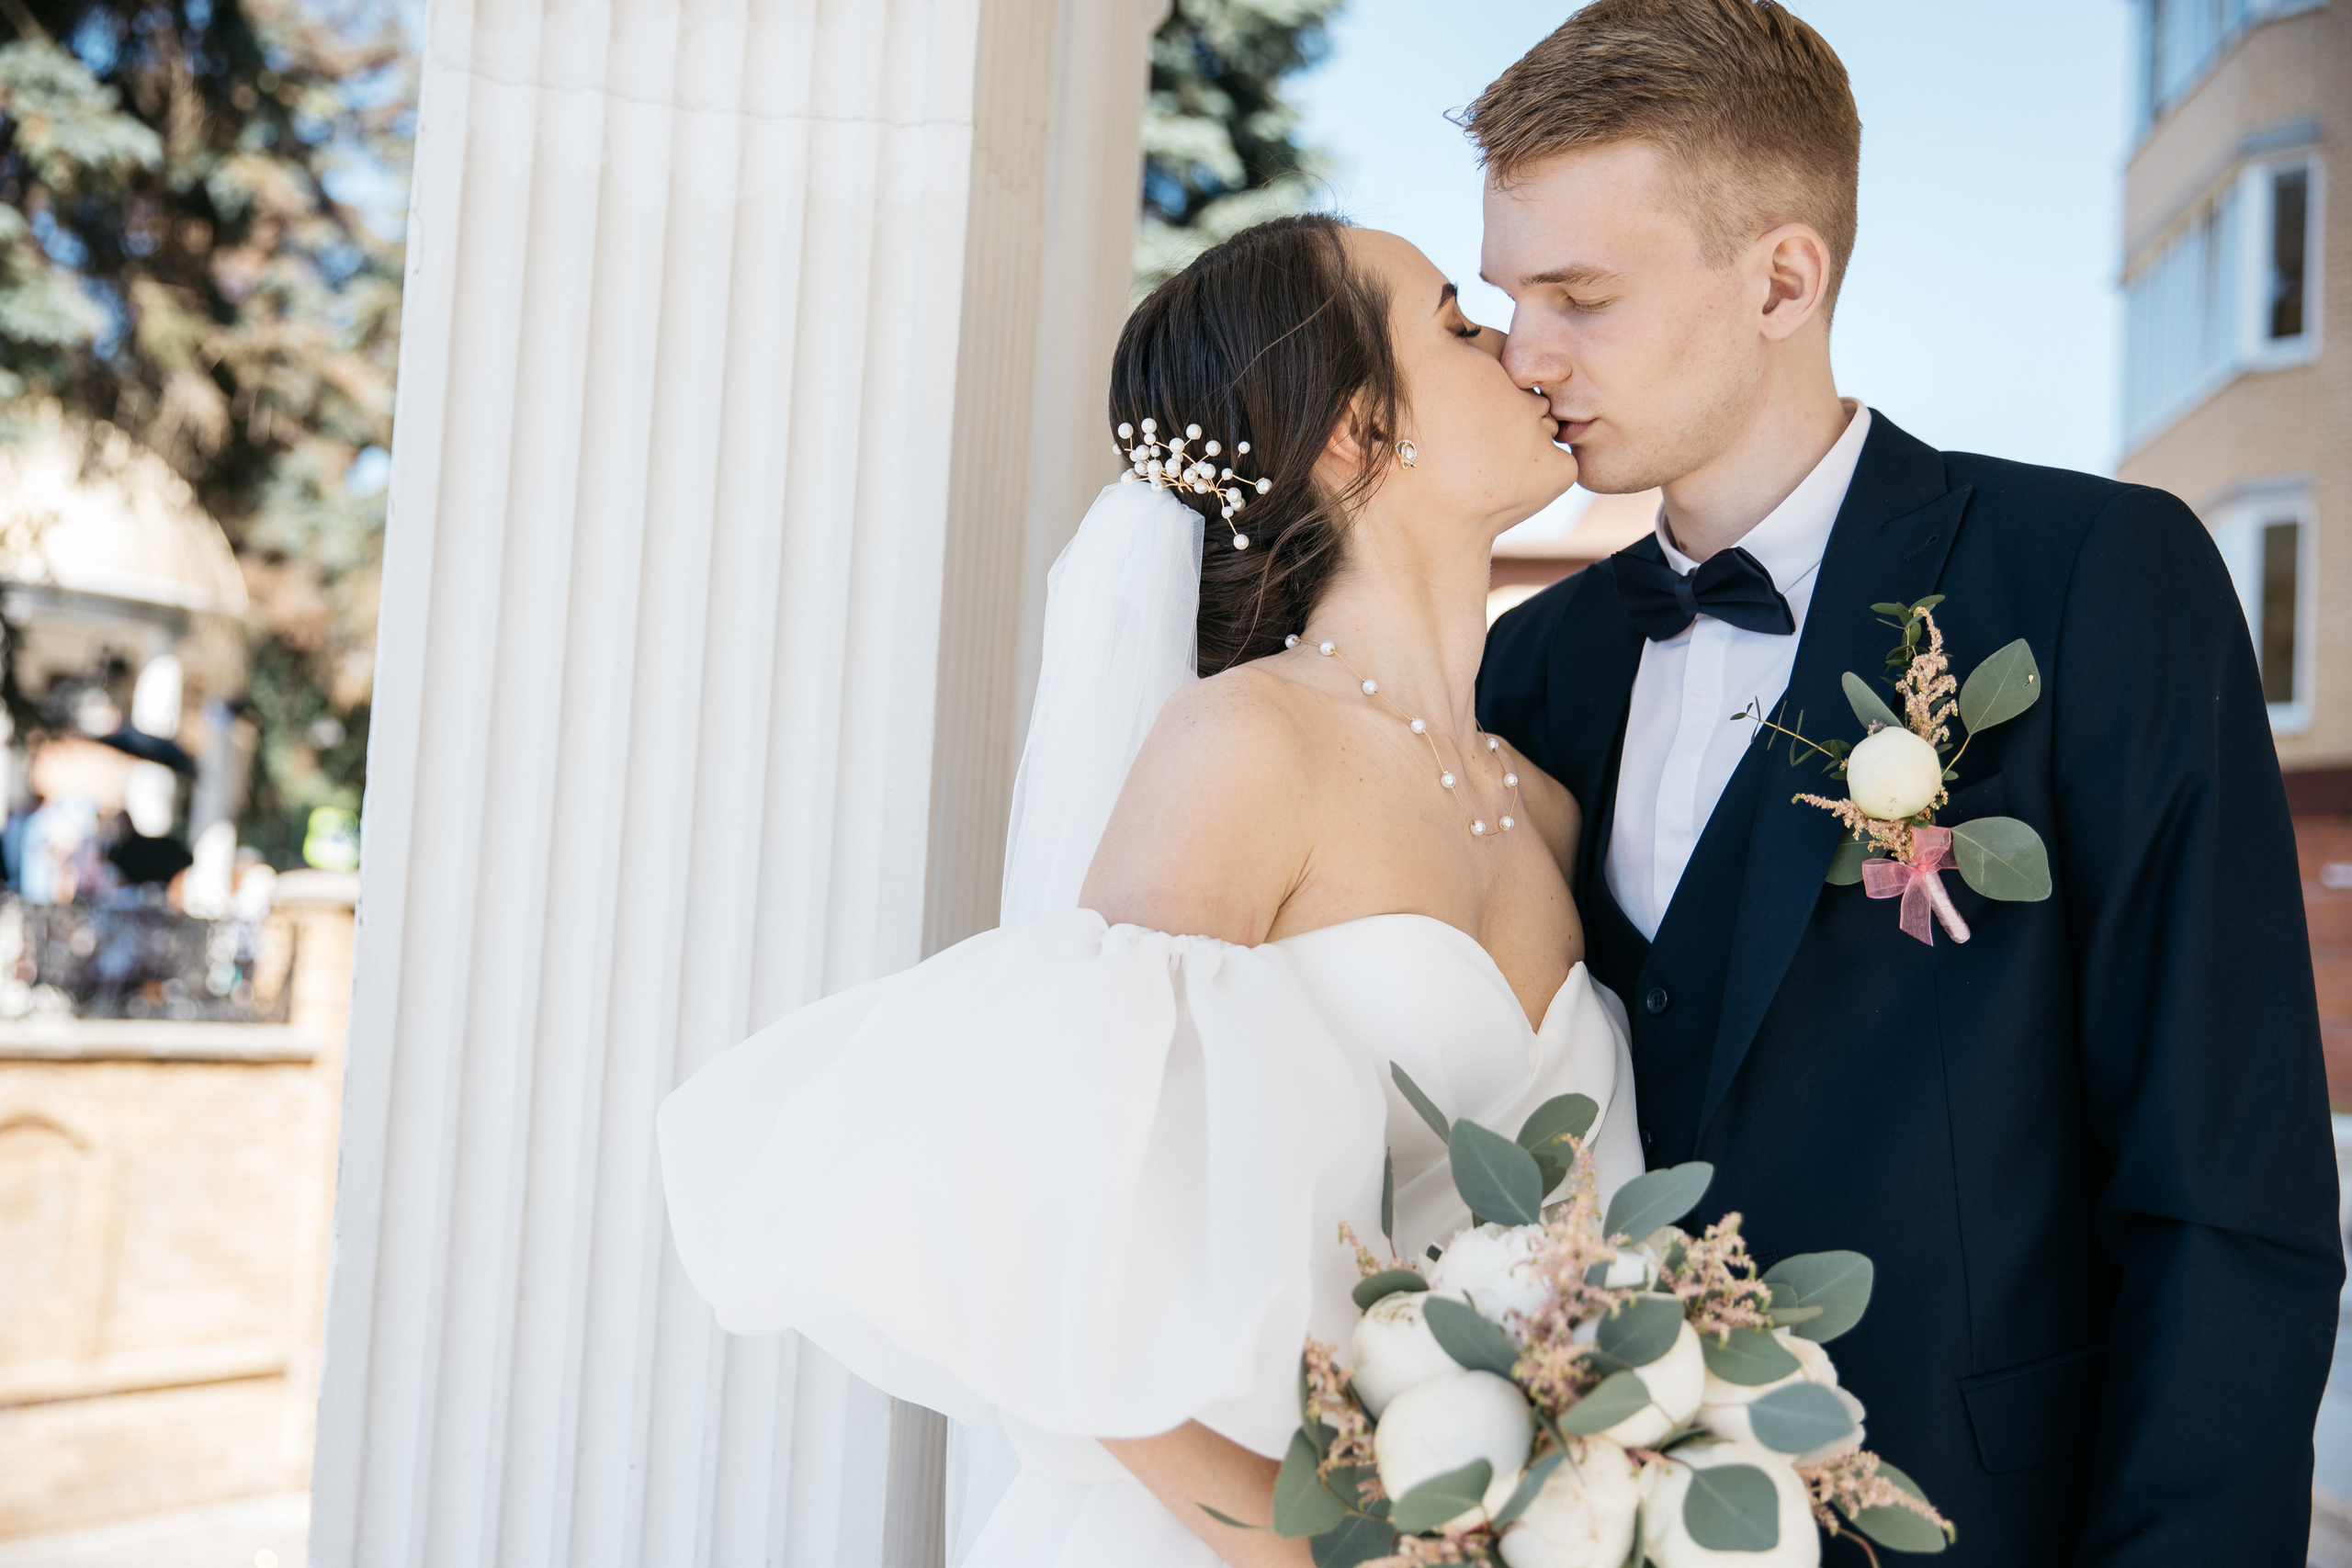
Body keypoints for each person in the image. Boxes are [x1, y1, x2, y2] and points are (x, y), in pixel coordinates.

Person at [1468, 3, 2341, 1562]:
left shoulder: (2092, 578)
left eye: (1579, 295)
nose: (1526, 354)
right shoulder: (1532, 666)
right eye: (1505, 295)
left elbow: (2226, 1187)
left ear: (1782, 279)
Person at [660, 214, 1642, 1566]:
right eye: (1460, 327)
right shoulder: (1246, 746)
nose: (1519, 350)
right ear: (1361, 429)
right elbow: (1056, 1241)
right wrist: (1339, 1554)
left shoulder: (1545, 805)